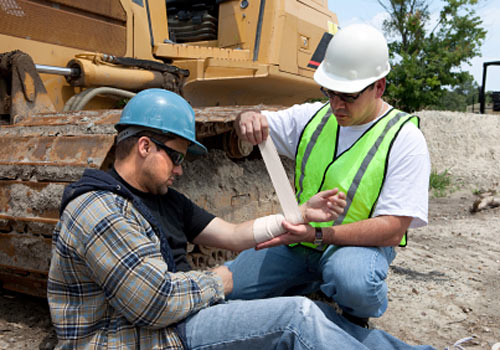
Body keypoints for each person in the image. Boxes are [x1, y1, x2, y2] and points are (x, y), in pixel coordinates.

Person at [47, 88, 434, 349]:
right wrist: (221, 280)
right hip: (143, 337)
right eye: (177, 156)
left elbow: (232, 234)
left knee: (312, 312)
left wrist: (297, 215)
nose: (181, 169)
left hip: (178, 316)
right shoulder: (100, 209)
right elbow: (155, 304)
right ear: (145, 146)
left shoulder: (164, 199)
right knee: (295, 315)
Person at [227, 23, 431, 327]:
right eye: (330, 92)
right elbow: (256, 121)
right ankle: (312, 282)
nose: (336, 104)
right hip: (299, 243)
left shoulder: (404, 139)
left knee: (354, 282)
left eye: (348, 95)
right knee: (231, 289)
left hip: (354, 249)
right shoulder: (315, 117)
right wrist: (247, 118)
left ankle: (354, 314)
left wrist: (320, 234)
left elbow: (393, 229)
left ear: (379, 87)